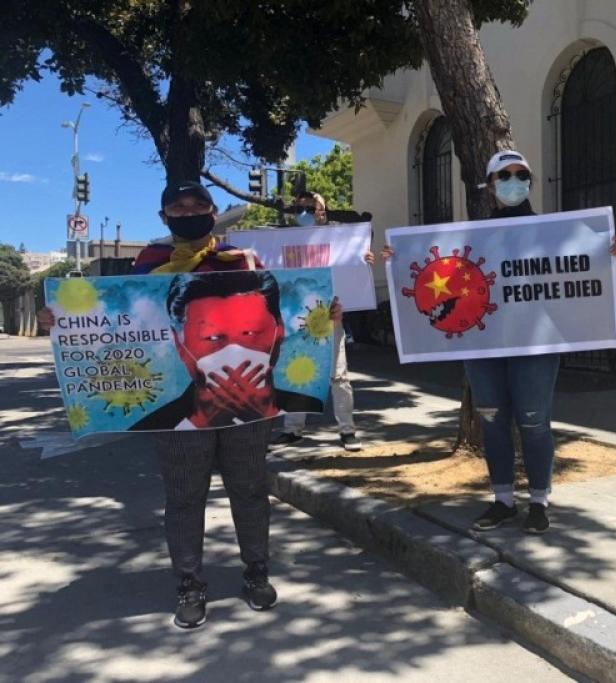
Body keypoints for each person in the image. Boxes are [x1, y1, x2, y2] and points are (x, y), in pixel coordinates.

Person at [40, 180, 342, 630]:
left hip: (253, 417)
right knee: (184, 498)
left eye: (197, 204)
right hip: (181, 420)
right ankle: (190, 583)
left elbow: (287, 314)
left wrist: (324, 316)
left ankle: (256, 572)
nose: (188, 212)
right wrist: (60, 321)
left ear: (212, 210)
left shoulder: (244, 261)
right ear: (164, 217)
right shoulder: (145, 268)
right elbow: (112, 326)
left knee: (251, 492)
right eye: (178, 207)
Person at [383, 150, 616, 535]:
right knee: (493, 421)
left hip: (536, 346)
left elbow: (583, 271)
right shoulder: (473, 237)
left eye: (521, 174)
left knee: (534, 422)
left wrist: (611, 256)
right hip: (485, 347)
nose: (515, 182)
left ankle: (538, 502)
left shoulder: (554, 231)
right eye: (505, 176)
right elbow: (435, 274)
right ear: (491, 185)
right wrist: (395, 260)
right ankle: (502, 501)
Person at [129, 270, 323, 431]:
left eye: (250, 333)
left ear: (279, 330)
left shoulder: (310, 404)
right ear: (179, 343)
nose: (234, 354)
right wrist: (198, 422)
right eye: (212, 338)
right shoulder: (158, 424)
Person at [271, 190, 373, 451]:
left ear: (323, 211)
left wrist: (364, 262)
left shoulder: (341, 240)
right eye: (299, 208)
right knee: (294, 374)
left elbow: (354, 264)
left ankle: (347, 431)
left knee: (338, 375)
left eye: (311, 207)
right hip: (294, 318)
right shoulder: (279, 243)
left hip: (331, 316)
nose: (305, 212)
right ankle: (292, 430)